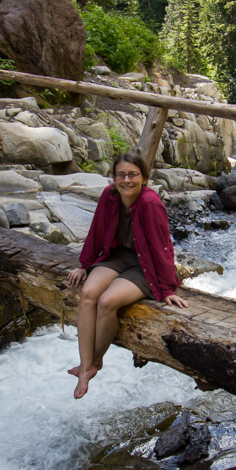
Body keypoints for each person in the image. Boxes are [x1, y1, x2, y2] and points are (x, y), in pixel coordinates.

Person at [66, 152, 189, 399]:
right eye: (121, 175)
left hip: (145, 265)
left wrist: (166, 289)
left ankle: (93, 364)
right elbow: (97, 230)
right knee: (89, 293)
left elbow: (162, 247)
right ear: (113, 178)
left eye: (133, 175)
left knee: (107, 301)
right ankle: (84, 364)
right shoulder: (109, 196)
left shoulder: (150, 204)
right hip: (117, 256)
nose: (126, 180)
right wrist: (84, 264)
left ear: (143, 178)